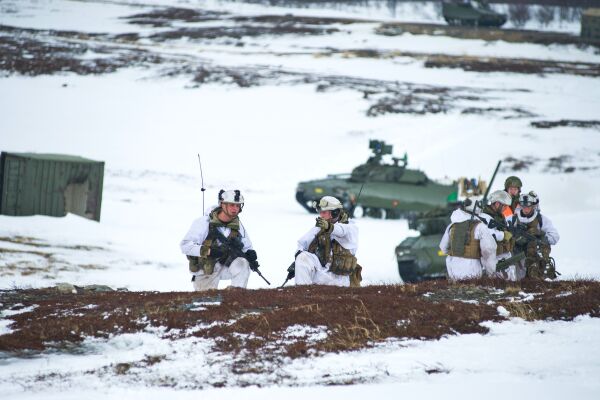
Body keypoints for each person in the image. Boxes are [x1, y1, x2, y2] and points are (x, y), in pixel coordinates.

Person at [180, 189, 257, 291]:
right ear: (222, 204)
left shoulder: (237, 225)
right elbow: (185, 245)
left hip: (225, 266)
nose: (235, 209)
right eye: (231, 205)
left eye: (238, 205)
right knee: (206, 303)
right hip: (205, 270)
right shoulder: (204, 222)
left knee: (243, 263)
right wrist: (208, 251)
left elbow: (247, 246)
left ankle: (237, 296)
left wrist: (250, 254)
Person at [293, 196, 361, 287]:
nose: (321, 215)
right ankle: (303, 294)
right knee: (303, 257)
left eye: (324, 212)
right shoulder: (321, 227)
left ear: (334, 212)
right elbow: (302, 244)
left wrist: (329, 227)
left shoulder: (350, 228)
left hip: (340, 279)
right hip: (322, 273)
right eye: (320, 212)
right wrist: (297, 265)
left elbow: (341, 231)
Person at [439, 199, 497, 280]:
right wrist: (491, 271)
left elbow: (443, 248)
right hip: (472, 269)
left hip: (453, 269)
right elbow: (488, 250)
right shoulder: (480, 227)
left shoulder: (452, 226)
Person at [510, 191, 560, 279]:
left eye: (528, 206)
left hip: (536, 257)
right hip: (517, 256)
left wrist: (539, 234)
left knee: (536, 279)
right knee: (518, 279)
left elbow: (555, 237)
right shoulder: (513, 219)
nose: (525, 209)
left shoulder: (541, 220)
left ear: (533, 206)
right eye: (523, 206)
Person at [480, 190, 517, 280]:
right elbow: (487, 234)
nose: (505, 208)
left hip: (503, 257)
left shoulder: (498, 215)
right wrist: (503, 235)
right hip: (494, 259)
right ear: (497, 203)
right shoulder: (485, 216)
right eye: (504, 205)